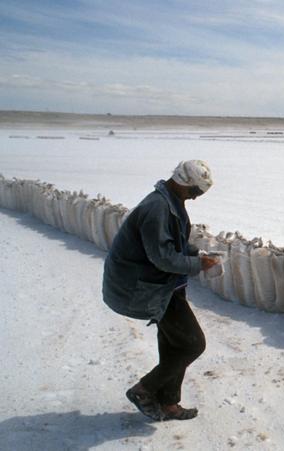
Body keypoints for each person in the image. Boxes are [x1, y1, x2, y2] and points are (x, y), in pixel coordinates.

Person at [102, 160, 219, 421]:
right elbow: (163, 257)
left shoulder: (170, 202)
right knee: (192, 344)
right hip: (147, 287)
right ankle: (143, 390)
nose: (196, 198)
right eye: (195, 192)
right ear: (183, 183)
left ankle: (168, 404)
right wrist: (198, 264)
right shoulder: (156, 208)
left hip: (162, 283)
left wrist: (196, 253)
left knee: (173, 343)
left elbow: (173, 242)